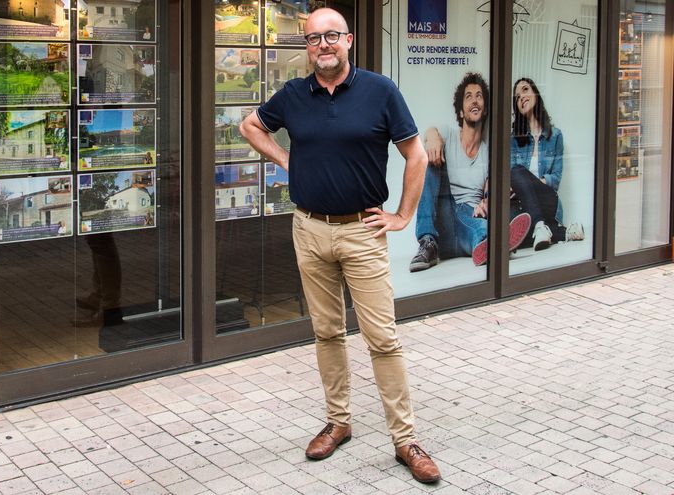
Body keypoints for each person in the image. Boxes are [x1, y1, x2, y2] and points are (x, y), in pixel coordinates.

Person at [239, 7, 441, 484]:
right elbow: (251, 126)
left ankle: (405, 439)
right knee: (327, 333)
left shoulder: (379, 91)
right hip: (309, 230)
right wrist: (289, 161)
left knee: (382, 338)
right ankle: (338, 422)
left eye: (331, 37)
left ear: (348, 41)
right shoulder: (293, 94)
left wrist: (403, 216)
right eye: (313, 39)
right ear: (307, 47)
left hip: (362, 231)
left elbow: (415, 154)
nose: (323, 45)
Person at [410, 73, 531, 271]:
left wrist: (486, 204)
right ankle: (427, 242)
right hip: (446, 219)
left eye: (479, 96)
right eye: (468, 96)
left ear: (484, 110)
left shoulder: (487, 152)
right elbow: (430, 132)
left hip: (468, 224)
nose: (474, 100)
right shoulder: (447, 134)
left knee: (481, 226)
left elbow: (489, 189)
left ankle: (488, 243)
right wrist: (431, 136)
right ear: (460, 111)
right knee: (431, 160)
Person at [510, 77, 584, 250]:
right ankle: (560, 232)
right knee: (511, 230)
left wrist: (530, 184)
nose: (521, 97)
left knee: (518, 171)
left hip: (548, 199)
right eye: (517, 96)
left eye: (525, 90)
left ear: (536, 93)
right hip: (522, 205)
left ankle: (539, 226)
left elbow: (556, 180)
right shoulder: (513, 139)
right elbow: (511, 180)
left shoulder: (555, 136)